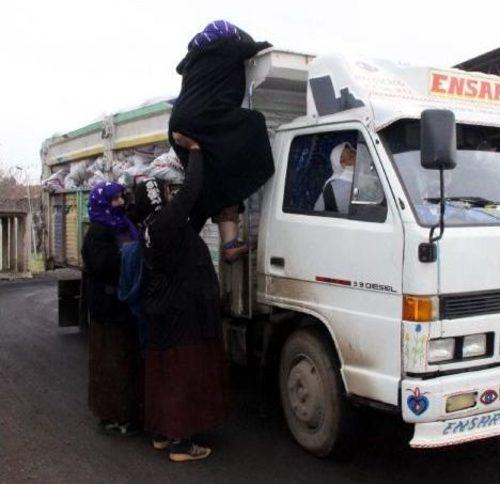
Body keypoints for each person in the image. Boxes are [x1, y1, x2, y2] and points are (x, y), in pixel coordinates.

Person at [135, 132, 230, 462]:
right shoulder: (165, 224)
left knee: (163, 373)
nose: (170, 193)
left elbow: (192, 213)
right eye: (165, 191)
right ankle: (181, 444)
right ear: (159, 199)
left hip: (162, 311)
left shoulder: (151, 226)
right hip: (181, 312)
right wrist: (196, 152)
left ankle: (163, 433)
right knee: (182, 375)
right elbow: (190, 193)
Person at [168, 20, 274, 263]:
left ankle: (226, 244)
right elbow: (263, 47)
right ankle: (264, 169)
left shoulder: (193, 58)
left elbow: (179, 67)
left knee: (214, 182)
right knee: (254, 122)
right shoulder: (226, 46)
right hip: (203, 119)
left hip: (180, 123)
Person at [81, 181, 142, 436]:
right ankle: (113, 416)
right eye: (114, 200)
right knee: (111, 363)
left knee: (125, 361)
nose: (119, 203)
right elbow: (103, 265)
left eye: (121, 198)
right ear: (102, 203)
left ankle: (125, 413)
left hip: (123, 307)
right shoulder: (98, 231)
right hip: (107, 311)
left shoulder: (122, 224)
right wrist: (129, 254)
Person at [314, 142, 357, 214]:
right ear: (341, 164)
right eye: (351, 157)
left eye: (353, 152)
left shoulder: (364, 176)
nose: (356, 157)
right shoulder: (337, 187)